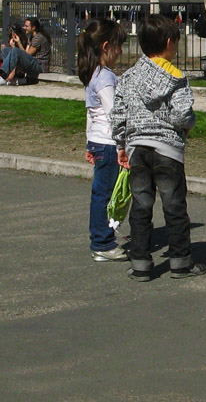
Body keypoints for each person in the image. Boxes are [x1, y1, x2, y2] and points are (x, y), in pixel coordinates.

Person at [110, 14, 206, 282]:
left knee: (141, 207)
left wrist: (121, 144)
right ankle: (180, 262)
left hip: (137, 148)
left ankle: (140, 262)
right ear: (168, 43)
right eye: (176, 43)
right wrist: (189, 125)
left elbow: (118, 115)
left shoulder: (128, 77)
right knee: (174, 207)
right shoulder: (176, 77)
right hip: (167, 151)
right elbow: (181, 116)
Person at [77, 18, 128, 262]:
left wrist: (89, 143)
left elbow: (91, 114)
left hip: (99, 142)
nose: (120, 52)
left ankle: (103, 238)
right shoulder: (106, 77)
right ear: (106, 47)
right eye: (118, 46)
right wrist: (122, 146)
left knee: (102, 193)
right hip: (109, 145)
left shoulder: (92, 73)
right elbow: (113, 114)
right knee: (106, 195)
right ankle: (103, 243)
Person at [0, 17, 51, 86]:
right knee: (6, 50)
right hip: (32, 62)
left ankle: (4, 76)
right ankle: (9, 75)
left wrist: (18, 44)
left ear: (33, 27)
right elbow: (25, 54)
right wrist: (17, 43)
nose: (24, 28)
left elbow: (27, 55)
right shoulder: (31, 37)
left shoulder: (39, 38)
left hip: (39, 66)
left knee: (15, 50)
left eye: (27, 26)